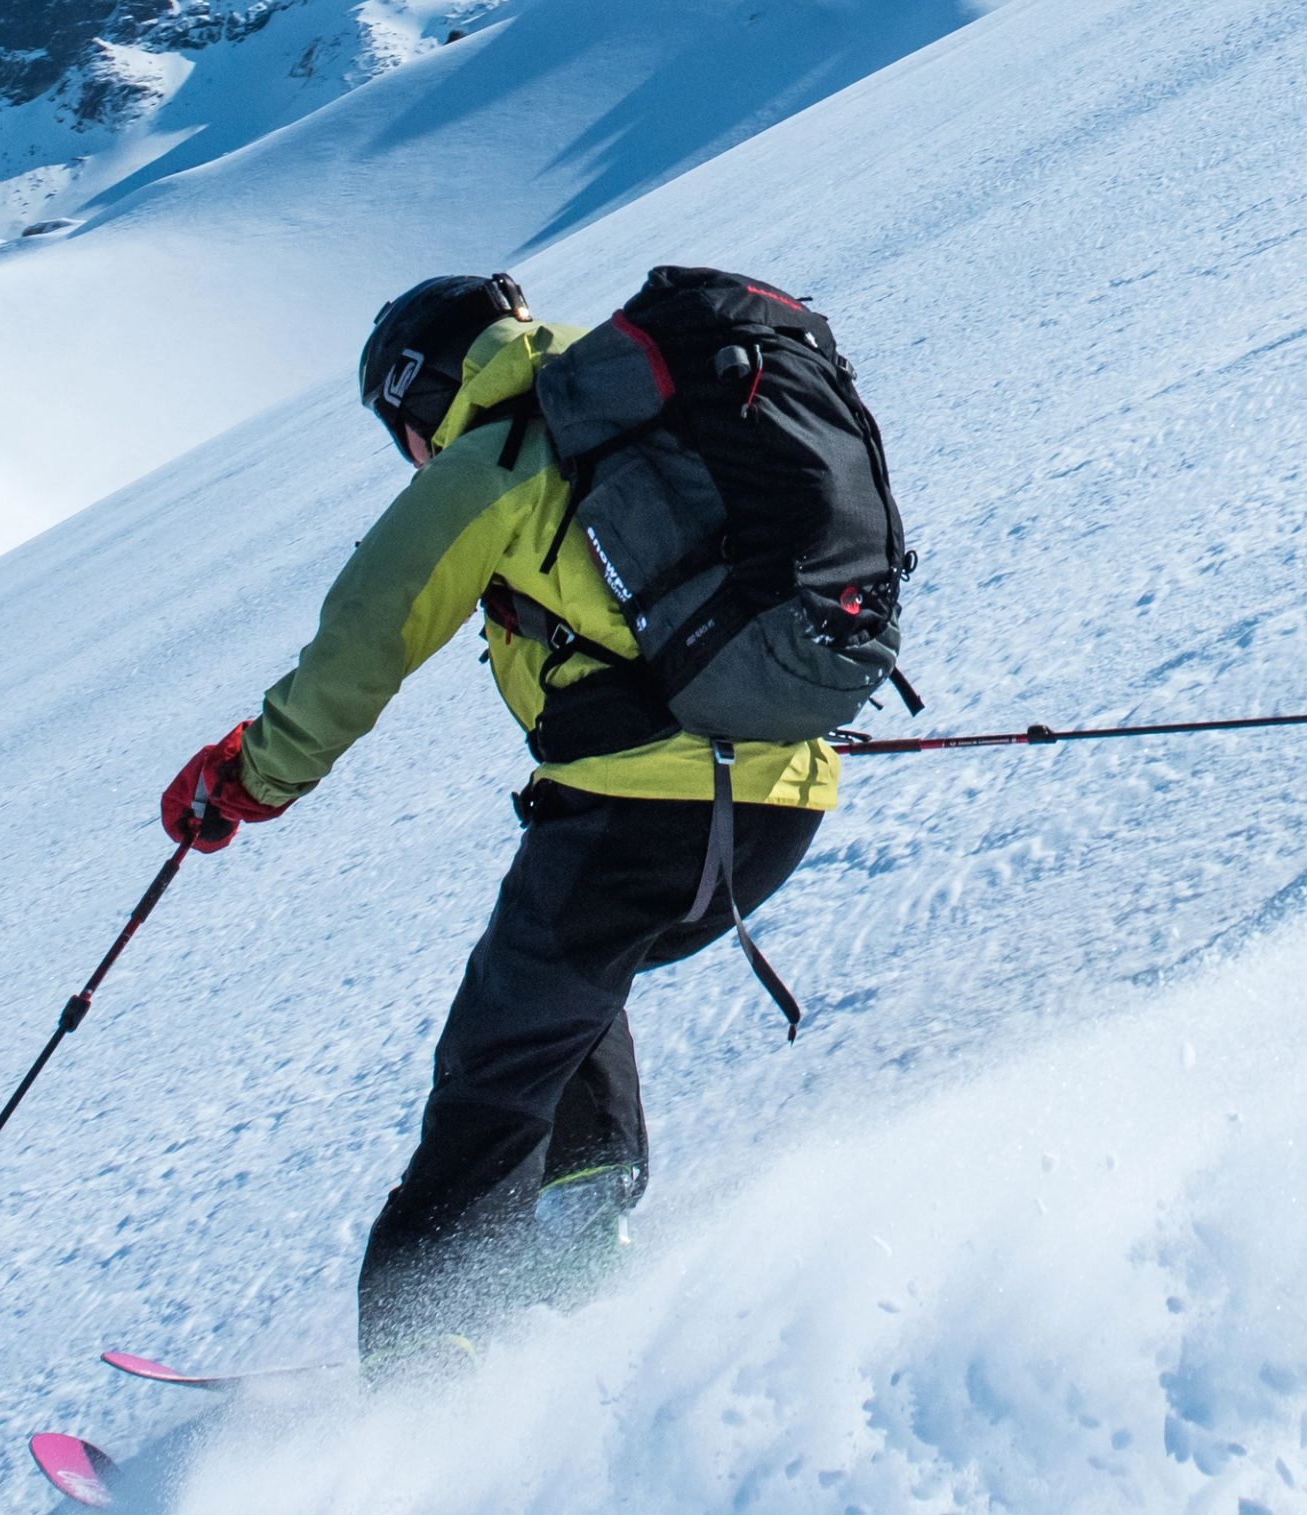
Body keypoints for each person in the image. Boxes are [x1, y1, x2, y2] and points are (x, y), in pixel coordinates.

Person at [157, 271, 841, 1372]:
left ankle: (420, 1375)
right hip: (776, 805)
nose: (412, 452)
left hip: (640, 819)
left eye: (401, 429)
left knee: (490, 1074)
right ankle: (579, 1235)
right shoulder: (652, 418)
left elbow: (359, 649)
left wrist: (247, 779)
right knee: (564, 995)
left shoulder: (491, 466)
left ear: (420, 395)